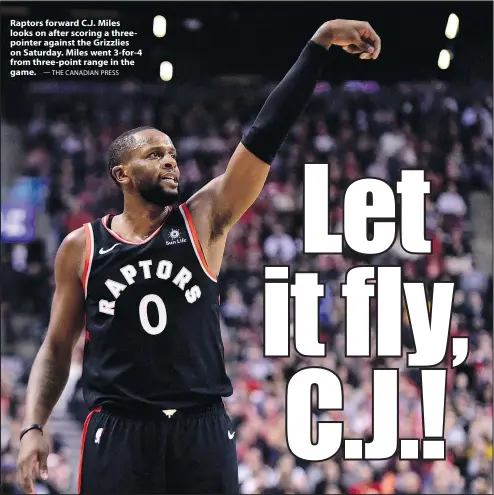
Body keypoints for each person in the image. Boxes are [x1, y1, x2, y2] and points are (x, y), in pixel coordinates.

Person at [17, 19, 381, 495]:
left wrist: (319, 43)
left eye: (172, 153)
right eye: (154, 154)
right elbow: (56, 346)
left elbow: (265, 134)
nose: (170, 160)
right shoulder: (82, 247)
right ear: (122, 174)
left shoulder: (203, 219)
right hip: (119, 429)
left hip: (202, 427)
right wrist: (32, 426)